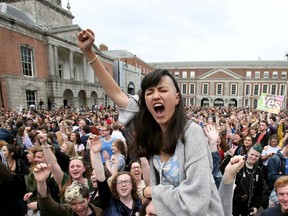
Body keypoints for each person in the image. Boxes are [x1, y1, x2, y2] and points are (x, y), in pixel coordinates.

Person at [77, 29, 224, 215]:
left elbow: (195, 202)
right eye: (149, 92)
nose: (155, 96)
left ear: (177, 98)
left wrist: (150, 191)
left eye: (162, 90)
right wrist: (89, 52)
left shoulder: (191, 133)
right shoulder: (150, 129)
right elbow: (116, 94)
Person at [89, 135, 142, 215]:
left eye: (127, 181)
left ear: (132, 185)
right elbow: (101, 178)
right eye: (119, 182)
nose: (123, 185)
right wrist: (96, 153)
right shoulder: (109, 201)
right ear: (115, 186)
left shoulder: (139, 203)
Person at [34, 163, 103, 216]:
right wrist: (41, 183)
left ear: (88, 199)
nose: (79, 207)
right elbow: (48, 207)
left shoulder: (99, 212)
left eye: (82, 202)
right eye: (74, 204)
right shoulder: (67, 211)